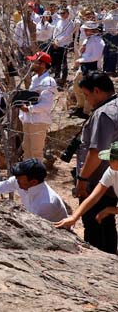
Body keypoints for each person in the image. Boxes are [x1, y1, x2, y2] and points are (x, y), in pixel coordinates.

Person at [67, 71, 118, 253]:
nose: (87, 100)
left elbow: (96, 152)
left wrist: (82, 179)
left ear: (97, 91)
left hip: (98, 179)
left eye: (87, 95)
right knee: (107, 221)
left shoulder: (104, 113)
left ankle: (101, 263)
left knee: (94, 224)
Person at [56, 141, 118, 252]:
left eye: (111, 158)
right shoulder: (111, 171)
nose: (108, 161)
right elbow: (94, 196)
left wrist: (110, 209)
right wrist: (74, 217)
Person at [0, 158, 67, 222]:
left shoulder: (46, 203)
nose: (16, 179)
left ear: (33, 182)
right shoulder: (20, 182)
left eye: (20, 177)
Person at [19, 52, 57, 161]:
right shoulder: (35, 79)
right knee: (27, 149)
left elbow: (46, 104)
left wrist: (28, 109)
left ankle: (37, 176)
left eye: (35, 62)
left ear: (43, 64)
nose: (32, 64)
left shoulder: (48, 81)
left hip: (39, 120)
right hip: (28, 120)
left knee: (36, 151)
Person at [73, 21, 105, 117]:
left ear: (93, 30)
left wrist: (80, 60)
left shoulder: (99, 42)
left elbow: (95, 57)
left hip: (92, 68)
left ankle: (86, 111)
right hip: (83, 67)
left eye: (88, 30)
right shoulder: (87, 40)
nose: (86, 31)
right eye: (85, 29)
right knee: (77, 86)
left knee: (88, 90)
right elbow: (83, 52)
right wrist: (81, 51)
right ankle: (80, 106)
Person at [51, 8, 75, 87]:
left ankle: (64, 78)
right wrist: (55, 40)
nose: (62, 14)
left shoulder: (70, 23)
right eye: (60, 13)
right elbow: (55, 31)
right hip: (56, 44)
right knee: (57, 62)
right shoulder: (59, 22)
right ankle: (57, 77)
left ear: (67, 13)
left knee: (64, 63)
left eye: (63, 13)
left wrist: (58, 42)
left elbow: (67, 35)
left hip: (64, 45)